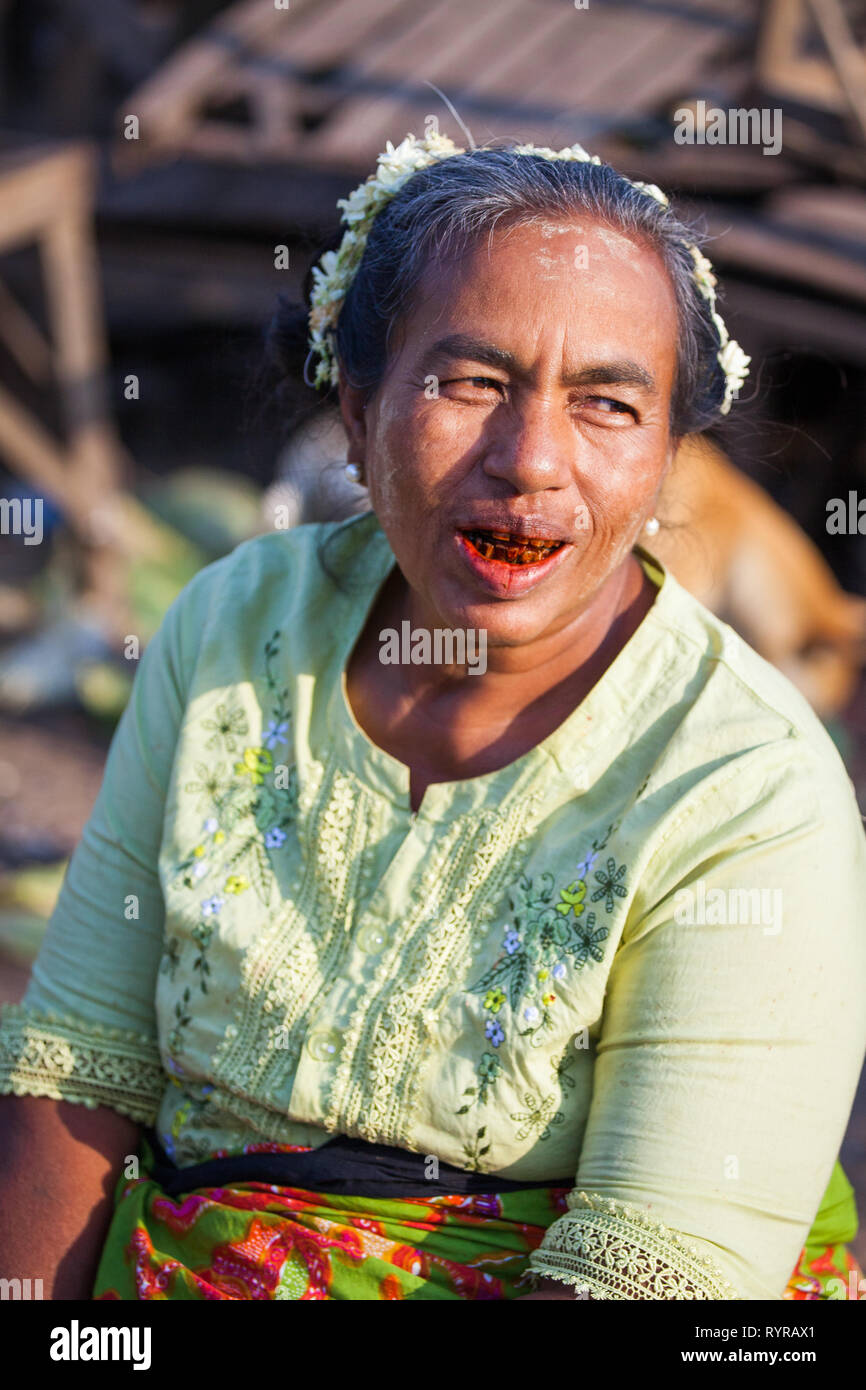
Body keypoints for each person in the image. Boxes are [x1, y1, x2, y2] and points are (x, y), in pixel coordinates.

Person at [1, 134, 864, 1302]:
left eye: (606, 402)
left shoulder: (748, 790)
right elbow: (78, 1071)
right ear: (354, 415)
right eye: (469, 383)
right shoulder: (231, 625)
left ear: (666, 467)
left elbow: (659, 1271)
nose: (531, 461)